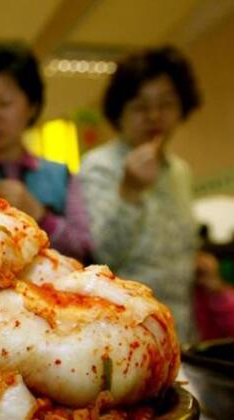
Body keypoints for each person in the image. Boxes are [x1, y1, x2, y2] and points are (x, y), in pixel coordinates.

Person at [78, 46, 201, 342]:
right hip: (127, 331)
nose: (154, 116)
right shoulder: (100, 165)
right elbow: (103, 255)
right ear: (119, 114)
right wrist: (130, 190)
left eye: (166, 104)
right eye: (140, 107)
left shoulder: (179, 171)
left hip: (182, 327)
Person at [0, 44, 91, 261]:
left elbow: (84, 248)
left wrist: (40, 215)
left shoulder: (61, 176)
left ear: (32, 107)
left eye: (4, 103)